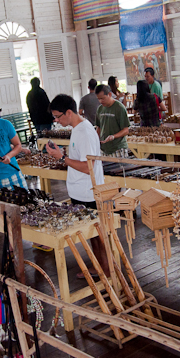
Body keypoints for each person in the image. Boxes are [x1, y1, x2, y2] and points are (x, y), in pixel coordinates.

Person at [46, 94, 109, 278]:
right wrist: (63, 154)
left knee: (97, 235)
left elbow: (88, 167)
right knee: (92, 235)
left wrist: (62, 158)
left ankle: (106, 270)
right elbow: (81, 158)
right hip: (81, 191)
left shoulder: (85, 132)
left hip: (89, 192)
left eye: (58, 117)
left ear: (69, 112)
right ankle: (100, 267)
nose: (57, 121)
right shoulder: (77, 128)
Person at [95, 85, 130, 156]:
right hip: (103, 149)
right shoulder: (100, 109)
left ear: (109, 94)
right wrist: (96, 140)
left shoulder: (119, 108)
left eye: (103, 98)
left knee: (119, 167)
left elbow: (126, 130)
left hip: (118, 148)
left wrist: (113, 136)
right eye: (98, 99)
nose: (100, 101)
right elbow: (99, 127)